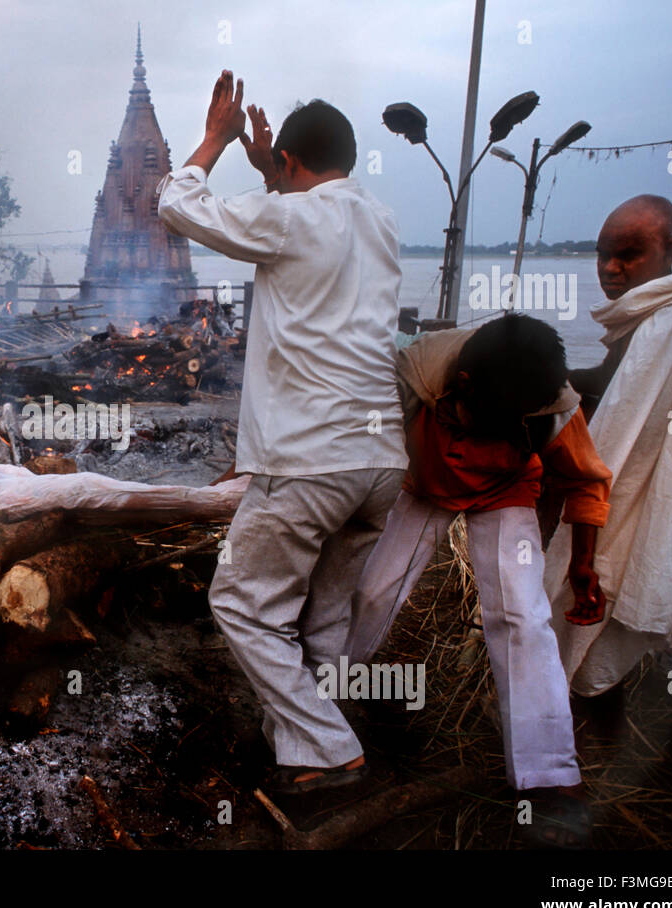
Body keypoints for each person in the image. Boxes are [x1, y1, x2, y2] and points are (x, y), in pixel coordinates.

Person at [156, 72, 408, 794]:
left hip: (310, 460)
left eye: (280, 168)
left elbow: (177, 204)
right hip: (382, 464)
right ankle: (304, 751)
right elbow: (303, 229)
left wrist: (216, 138)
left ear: (292, 163)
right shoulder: (379, 220)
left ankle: (329, 748)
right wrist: (275, 174)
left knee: (239, 602)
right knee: (323, 617)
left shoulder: (292, 221)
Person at [346, 315, 611, 847]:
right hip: (423, 484)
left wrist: (583, 567)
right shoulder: (412, 375)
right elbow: (353, 444)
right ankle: (319, 710)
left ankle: (548, 775)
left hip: (506, 491)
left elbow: (586, 481)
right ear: (462, 388)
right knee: (371, 591)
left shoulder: (547, 398)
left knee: (523, 616)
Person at [546, 195, 672, 700]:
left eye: (629, 254)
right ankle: (580, 698)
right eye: (602, 254)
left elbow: (626, 425)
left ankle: (574, 700)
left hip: (632, 486)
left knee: (607, 573)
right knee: (607, 580)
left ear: (668, 250)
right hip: (618, 487)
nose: (610, 269)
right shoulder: (651, 314)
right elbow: (612, 385)